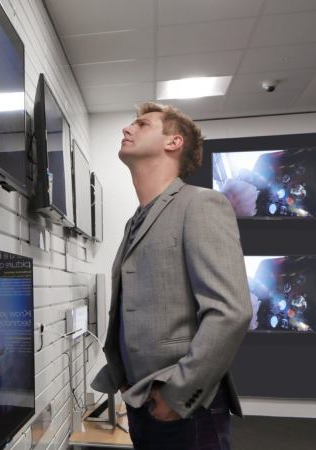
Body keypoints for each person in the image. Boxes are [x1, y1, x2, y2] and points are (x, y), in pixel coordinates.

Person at [91, 102, 253, 449]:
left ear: (174, 142)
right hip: (142, 399)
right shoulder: (134, 222)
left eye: (142, 124)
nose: (127, 129)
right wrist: (125, 380)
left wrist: (177, 395)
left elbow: (231, 311)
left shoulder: (201, 204)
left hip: (184, 408)